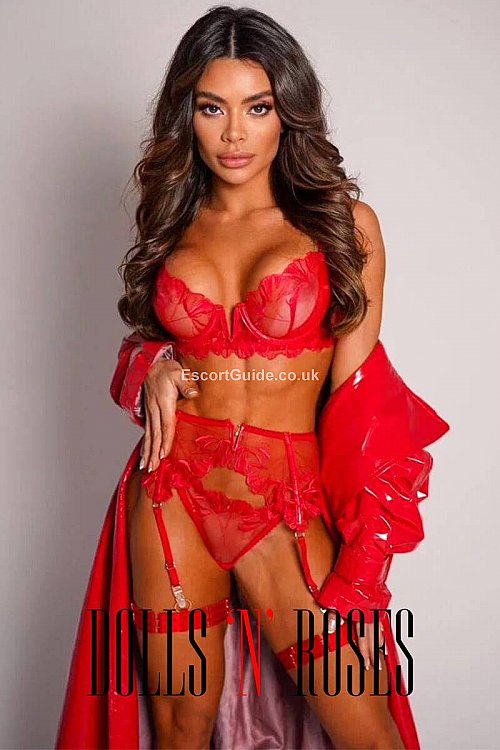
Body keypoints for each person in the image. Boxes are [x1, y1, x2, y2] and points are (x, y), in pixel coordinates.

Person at [56, 6, 450, 749]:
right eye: (213, 108)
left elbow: (363, 404)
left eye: (257, 107)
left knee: (366, 732)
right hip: (171, 492)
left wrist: (364, 571)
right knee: (179, 729)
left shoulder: (343, 227)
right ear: (188, 114)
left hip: (285, 503)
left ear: (287, 112)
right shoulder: (171, 223)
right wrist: (150, 365)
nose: (234, 133)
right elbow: (144, 345)